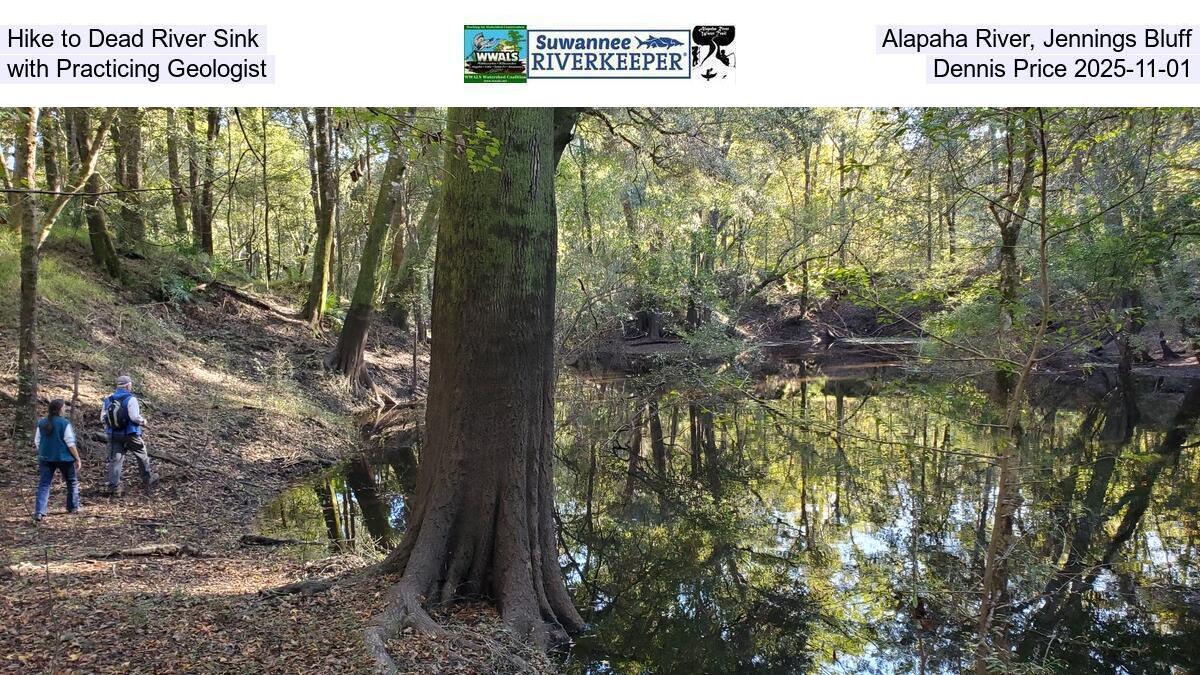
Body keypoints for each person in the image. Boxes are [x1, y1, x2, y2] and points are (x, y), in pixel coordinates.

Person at [102, 374, 158, 495]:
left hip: (113, 434)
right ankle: (147, 478)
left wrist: (110, 428)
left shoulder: (108, 399)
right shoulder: (131, 399)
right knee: (141, 453)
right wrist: (143, 421)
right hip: (130, 433)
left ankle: (114, 487)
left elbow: (103, 418)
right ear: (128, 386)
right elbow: (134, 417)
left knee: (115, 460)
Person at [33, 398, 81, 521]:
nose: (65, 409)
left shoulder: (42, 422)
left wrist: (44, 451)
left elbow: (37, 441)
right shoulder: (64, 423)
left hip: (45, 457)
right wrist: (77, 458)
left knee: (44, 484)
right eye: (64, 407)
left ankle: (39, 511)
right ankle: (73, 506)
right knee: (71, 481)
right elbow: (70, 443)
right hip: (64, 458)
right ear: (60, 409)